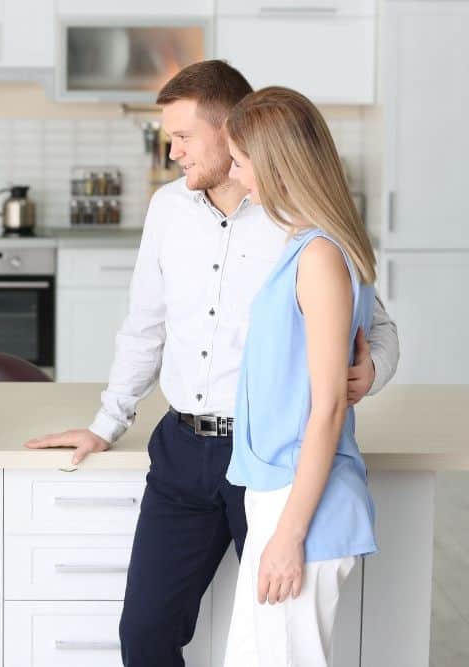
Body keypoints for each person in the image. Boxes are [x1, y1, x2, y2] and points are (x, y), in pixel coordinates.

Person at [23, 60, 400, 666]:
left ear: (231, 132)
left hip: (270, 460)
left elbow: (374, 325)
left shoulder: (299, 224)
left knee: (278, 641)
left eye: (181, 136)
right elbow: (145, 327)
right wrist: (105, 422)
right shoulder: (168, 210)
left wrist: (372, 369)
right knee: (145, 634)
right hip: (181, 451)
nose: (171, 151)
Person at [222, 86, 378, 666]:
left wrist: (288, 536)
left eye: (241, 162)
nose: (238, 177)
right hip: (281, 495)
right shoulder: (308, 245)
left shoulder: (318, 256)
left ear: (275, 163)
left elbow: (328, 408)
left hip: (301, 503)